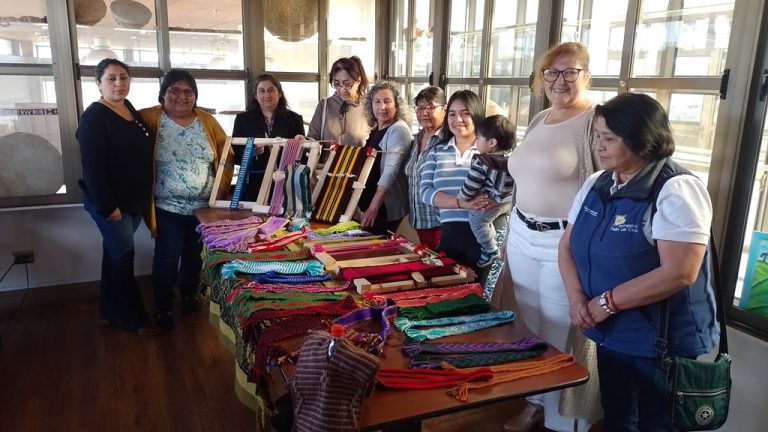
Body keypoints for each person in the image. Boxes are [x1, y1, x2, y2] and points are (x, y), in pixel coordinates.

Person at [558, 92, 718, 431]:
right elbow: (567, 245)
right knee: (617, 416)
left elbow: (679, 273)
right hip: (611, 332)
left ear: (641, 139)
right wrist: (576, 299)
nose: (598, 146)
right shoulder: (598, 183)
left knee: (657, 423)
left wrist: (606, 303)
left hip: (662, 343)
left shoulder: (675, 189)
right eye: (597, 136)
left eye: (609, 138)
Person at [499, 42, 599, 432]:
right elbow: (524, 181)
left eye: (570, 72)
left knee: (563, 333)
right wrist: (509, 232)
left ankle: (565, 422)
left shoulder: (595, 120)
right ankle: (535, 403)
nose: (559, 81)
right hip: (522, 234)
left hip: (564, 244)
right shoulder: (542, 117)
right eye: (551, 72)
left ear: (586, 75)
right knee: (532, 327)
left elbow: (605, 186)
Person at [139, 69, 234, 330]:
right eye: (175, 90)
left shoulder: (207, 120)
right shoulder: (149, 118)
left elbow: (227, 153)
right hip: (167, 206)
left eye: (188, 91)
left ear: (195, 96)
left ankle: (190, 293)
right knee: (167, 257)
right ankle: (163, 305)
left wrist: (220, 191)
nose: (182, 96)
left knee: (195, 256)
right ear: (163, 93)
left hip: (203, 208)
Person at [76, 58, 160, 336]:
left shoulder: (129, 108)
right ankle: (133, 318)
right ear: (98, 83)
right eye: (111, 78)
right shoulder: (94, 117)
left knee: (113, 255)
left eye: (123, 77)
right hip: (111, 204)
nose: (118, 83)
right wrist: (108, 206)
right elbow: (93, 168)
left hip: (134, 201)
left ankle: (109, 311)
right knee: (123, 257)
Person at [419, 90, 492, 269]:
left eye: (465, 113)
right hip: (450, 236)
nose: (458, 119)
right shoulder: (436, 151)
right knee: (448, 286)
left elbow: (505, 192)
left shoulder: (490, 151)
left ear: (476, 115)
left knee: (482, 288)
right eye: (452, 114)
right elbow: (425, 192)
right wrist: (463, 203)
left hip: (485, 240)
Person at [231, 74, 305, 200]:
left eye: (271, 90)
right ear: (256, 95)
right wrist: (251, 152)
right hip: (253, 186)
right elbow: (234, 155)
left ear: (279, 93)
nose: (267, 95)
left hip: (285, 184)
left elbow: (302, 158)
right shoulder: (242, 120)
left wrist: (302, 143)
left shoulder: (294, 119)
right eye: (262, 91)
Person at [457, 114, 516, 268]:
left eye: (478, 138)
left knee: (477, 221)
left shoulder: (483, 161)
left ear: (492, 142)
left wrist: (462, 197)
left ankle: (490, 250)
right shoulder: (513, 158)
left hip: (491, 202)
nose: (475, 142)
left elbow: (471, 185)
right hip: (508, 202)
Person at [358, 81, 412, 235]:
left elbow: (390, 171)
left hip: (384, 208)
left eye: (387, 101)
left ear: (397, 105)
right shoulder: (377, 128)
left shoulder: (399, 130)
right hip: (370, 205)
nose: (382, 107)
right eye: (377, 102)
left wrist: (373, 208)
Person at [404, 86, 446, 249]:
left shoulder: (447, 140)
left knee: (444, 262)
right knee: (429, 260)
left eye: (431, 107)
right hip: (420, 220)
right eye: (420, 108)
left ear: (444, 110)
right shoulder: (416, 139)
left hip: (441, 221)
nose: (424, 112)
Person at [306, 56, 370, 148]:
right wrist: (305, 141)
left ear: (358, 80)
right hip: (327, 158)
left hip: (357, 158)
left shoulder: (368, 107)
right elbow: (313, 139)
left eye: (347, 84)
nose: (342, 89)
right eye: (337, 84)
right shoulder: (324, 105)